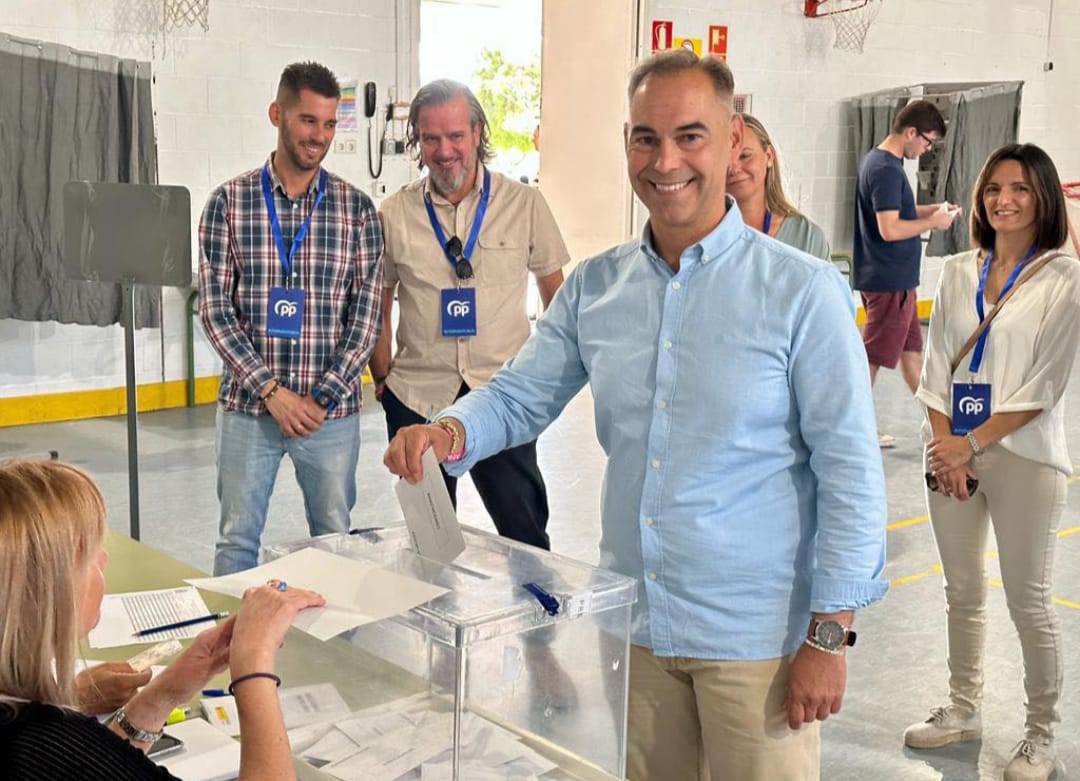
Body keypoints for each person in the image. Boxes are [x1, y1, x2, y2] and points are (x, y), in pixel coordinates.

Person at [383, 50, 887, 781]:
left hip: (756, 639)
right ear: (627, 144)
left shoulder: (802, 292)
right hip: (640, 627)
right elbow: (522, 392)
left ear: (733, 138)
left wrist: (830, 632)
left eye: (690, 135)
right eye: (646, 138)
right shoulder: (598, 287)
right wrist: (449, 430)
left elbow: (849, 468)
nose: (665, 159)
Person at [906, 143, 1079, 781]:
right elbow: (935, 370)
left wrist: (971, 445)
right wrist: (946, 447)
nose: (1003, 200)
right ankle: (962, 707)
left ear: (1043, 199)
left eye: (1020, 189)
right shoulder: (955, 271)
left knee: (1028, 601)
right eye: (993, 188)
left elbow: (1044, 387)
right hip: (952, 452)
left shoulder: (1064, 280)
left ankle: (1040, 737)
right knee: (961, 591)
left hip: (1022, 461)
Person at [0, 458, 326, 780]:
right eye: (88, 556)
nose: (104, 558)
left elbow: (100, 765)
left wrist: (165, 693)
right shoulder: (43, 744)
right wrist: (254, 666)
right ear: (45, 593)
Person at [199, 61, 384, 575]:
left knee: (335, 542)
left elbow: (365, 319)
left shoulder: (358, 212)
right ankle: (232, 651)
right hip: (247, 410)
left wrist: (320, 397)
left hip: (330, 416)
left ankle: (336, 652)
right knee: (236, 542)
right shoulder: (228, 205)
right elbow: (215, 311)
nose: (319, 136)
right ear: (277, 114)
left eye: (329, 124)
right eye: (308, 121)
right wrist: (271, 393)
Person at [371, 79, 569, 551]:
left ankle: (540, 622)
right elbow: (379, 304)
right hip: (417, 394)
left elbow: (557, 300)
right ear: (417, 141)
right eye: (431, 138)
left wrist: (545, 381)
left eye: (456, 135)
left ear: (478, 132)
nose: (445, 151)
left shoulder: (525, 205)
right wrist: (382, 379)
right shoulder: (394, 213)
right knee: (430, 541)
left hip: (503, 395)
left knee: (525, 536)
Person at [853, 100, 959, 447]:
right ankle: (855, 427)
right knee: (870, 360)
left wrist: (933, 208)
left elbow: (898, 209)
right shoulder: (884, 168)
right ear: (910, 132)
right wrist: (934, 223)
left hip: (897, 282)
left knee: (912, 356)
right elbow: (889, 228)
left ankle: (938, 423)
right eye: (926, 141)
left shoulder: (883, 163)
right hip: (889, 281)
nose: (926, 149)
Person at [727, 113, 831, 260]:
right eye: (724, 160)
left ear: (769, 156)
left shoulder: (806, 238)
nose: (733, 168)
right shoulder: (698, 235)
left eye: (745, 156)